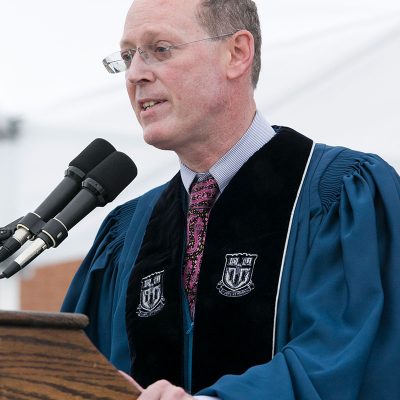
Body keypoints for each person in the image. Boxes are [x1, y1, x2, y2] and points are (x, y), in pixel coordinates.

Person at [62, 0, 400, 398]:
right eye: (126, 56)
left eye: (161, 49)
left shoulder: (341, 194)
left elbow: (349, 360)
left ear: (237, 53)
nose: (135, 74)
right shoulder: (127, 236)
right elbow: (70, 371)